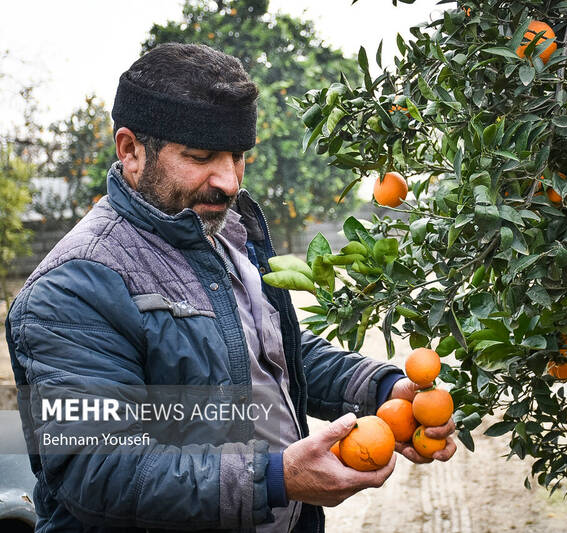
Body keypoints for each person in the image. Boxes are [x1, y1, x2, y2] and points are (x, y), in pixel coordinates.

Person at [4, 43, 455, 532]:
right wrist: (277, 481)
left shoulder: (222, 231)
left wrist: (385, 389)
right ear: (131, 150)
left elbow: (272, 350)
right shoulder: (72, 288)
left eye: (239, 156)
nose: (229, 181)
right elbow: (97, 472)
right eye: (201, 157)